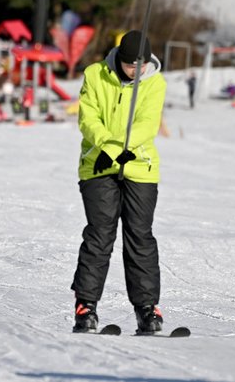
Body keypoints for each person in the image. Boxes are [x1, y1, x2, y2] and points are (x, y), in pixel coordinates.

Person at [71, 30, 167, 334]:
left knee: (140, 236)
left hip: (139, 166)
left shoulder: (155, 83)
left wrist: (120, 150)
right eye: (128, 65)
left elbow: (147, 125)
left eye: (139, 65)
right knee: (100, 235)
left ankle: (147, 308)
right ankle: (86, 307)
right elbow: (88, 118)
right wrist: (110, 150)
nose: (134, 70)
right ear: (119, 59)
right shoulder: (95, 75)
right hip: (97, 165)